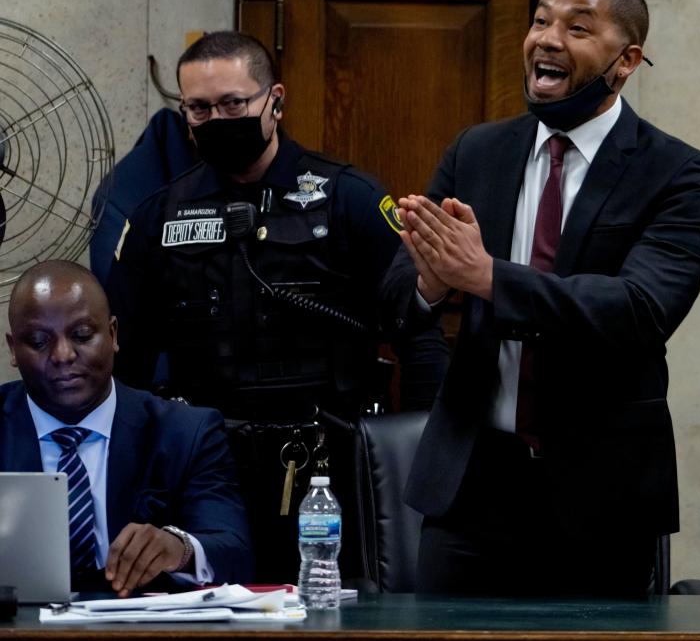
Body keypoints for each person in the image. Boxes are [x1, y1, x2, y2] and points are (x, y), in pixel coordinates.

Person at [386, 0, 700, 596]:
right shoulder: (476, 150)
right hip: (470, 487)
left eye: (577, 27)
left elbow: (640, 310)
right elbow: (397, 302)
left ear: (626, 61)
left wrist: (487, 277)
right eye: (540, 20)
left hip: (602, 496)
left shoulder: (679, 173)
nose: (547, 39)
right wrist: (431, 282)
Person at [105, 31, 449, 582]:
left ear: (275, 100)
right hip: (206, 465)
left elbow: (418, 331)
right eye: (198, 107)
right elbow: (126, 362)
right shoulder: (158, 217)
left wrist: (421, 461)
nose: (216, 118)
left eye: (233, 103)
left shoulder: (347, 197)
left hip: (327, 463)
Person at [0, 260, 251, 595]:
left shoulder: (185, 432)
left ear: (113, 334)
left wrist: (180, 550)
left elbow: (234, 552)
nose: (62, 355)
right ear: (13, 348)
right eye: (38, 341)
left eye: (82, 335)